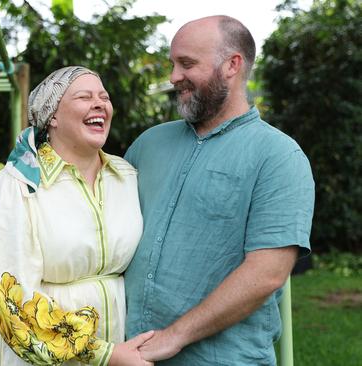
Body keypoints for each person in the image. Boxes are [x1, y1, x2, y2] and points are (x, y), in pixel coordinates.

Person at [124, 15, 315, 365]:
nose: (173, 77)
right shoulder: (148, 144)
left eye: (187, 64)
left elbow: (266, 273)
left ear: (232, 64)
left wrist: (173, 337)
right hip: (129, 354)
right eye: (172, 64)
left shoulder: (279, 156)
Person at [0, 66, 153, 365]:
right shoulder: (19, 184)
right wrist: (105, 355)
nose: (99, 103)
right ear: (52, 117)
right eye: (84, 97)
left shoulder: (126, 176)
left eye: (104, 97)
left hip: (124, 348)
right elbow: (11, 302)